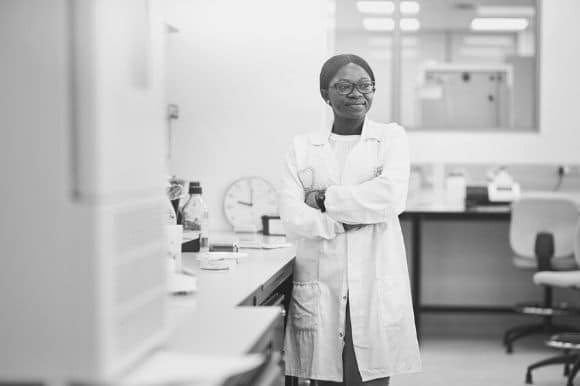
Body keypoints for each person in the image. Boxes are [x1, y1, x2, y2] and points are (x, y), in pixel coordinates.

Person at [279, 54, 421, 385]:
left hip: (373, 277)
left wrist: (325, 199)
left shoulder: (390, 138)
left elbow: (390, 197)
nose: (356, 93)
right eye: (343, 86)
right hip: (322, 280)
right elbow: (292, 215)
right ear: (325, 94)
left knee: (369, 375)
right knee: (324, 375)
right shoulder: (302, 147)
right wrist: (341, 223)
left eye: (364, 85)